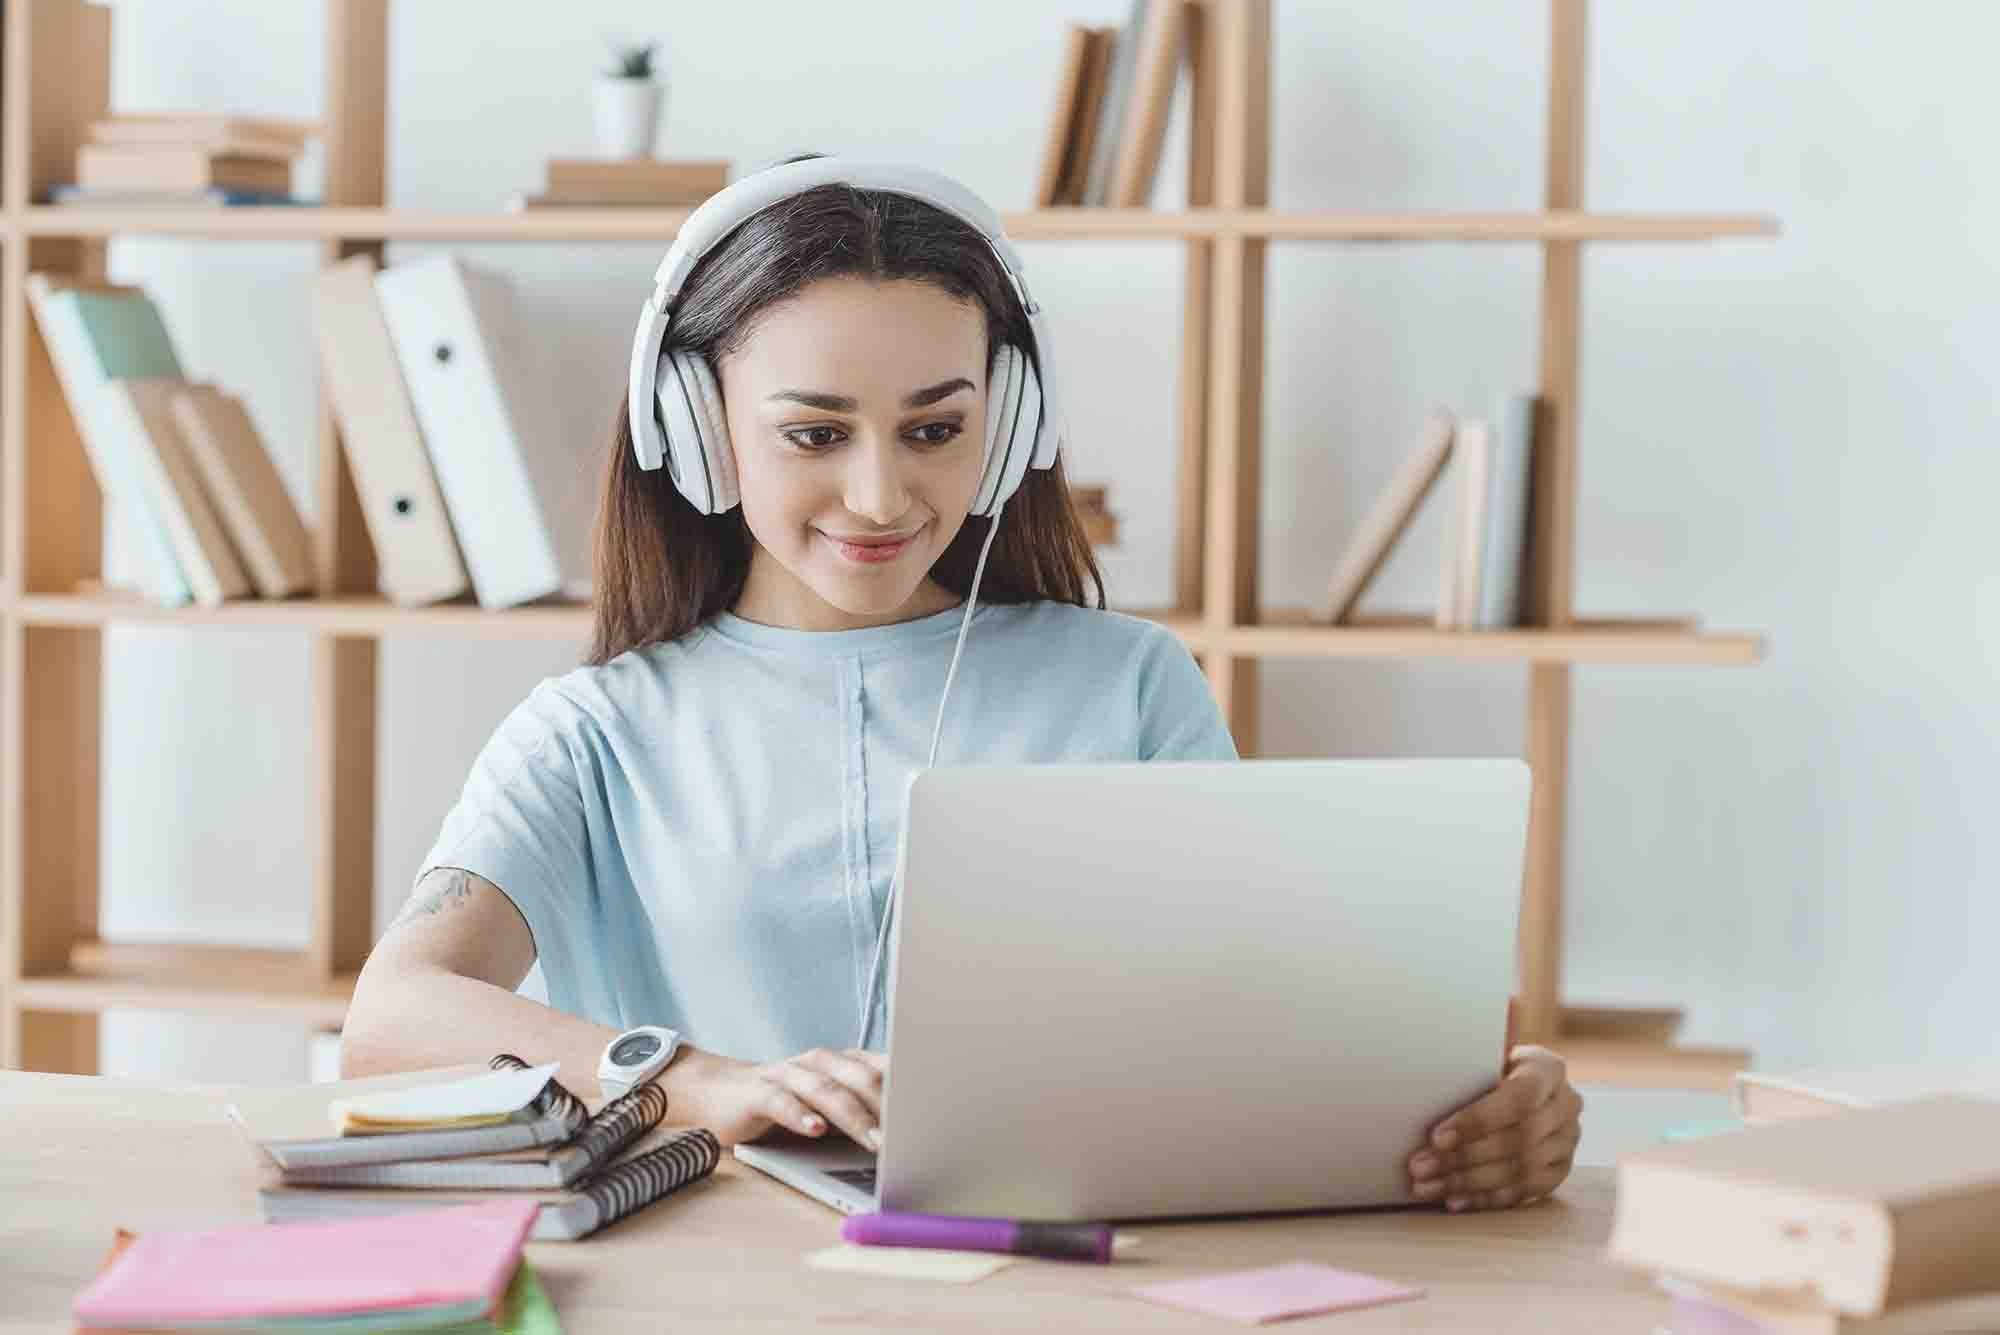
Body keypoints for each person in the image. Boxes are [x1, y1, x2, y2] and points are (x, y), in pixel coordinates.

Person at [340, 157, 1582, 1213]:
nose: (881, 498)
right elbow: (394, 1016)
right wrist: (701, 1082)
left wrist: (1493, 1097)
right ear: (697, 428)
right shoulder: (595, 731)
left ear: (1011, 418)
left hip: (1066, 1280)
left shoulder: (1130, 684)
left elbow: (1262, 1016)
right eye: (814, 433)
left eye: (934, 429)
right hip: (725, 1285)